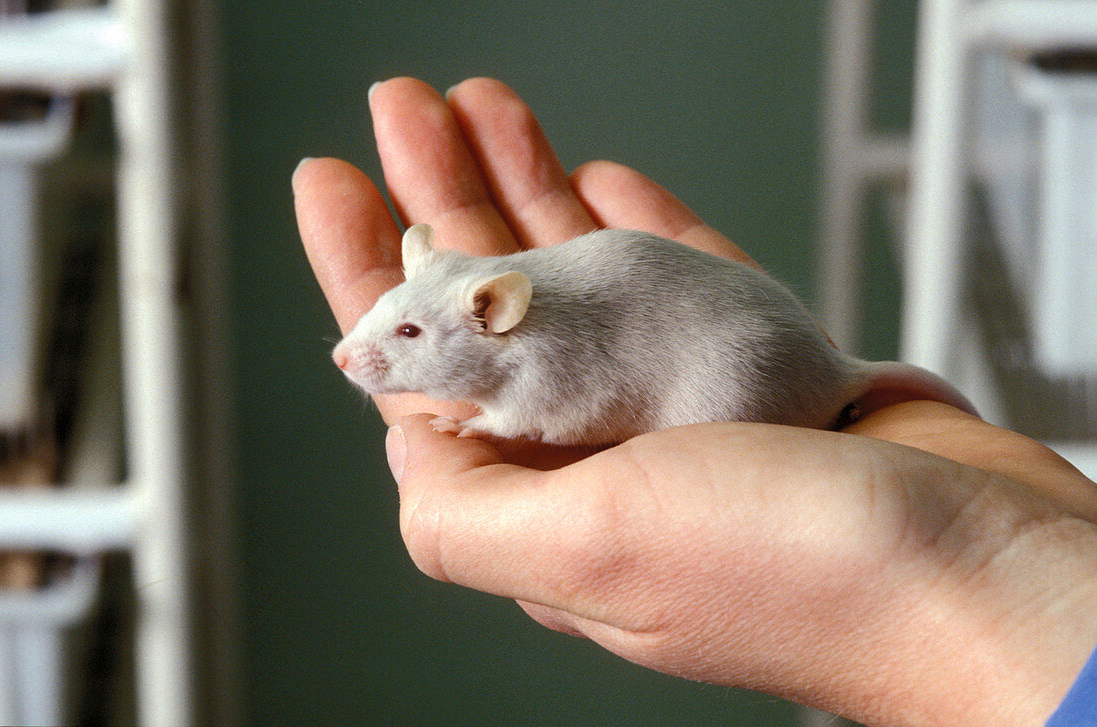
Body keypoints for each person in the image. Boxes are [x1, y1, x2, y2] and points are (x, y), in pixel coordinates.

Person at [293, 77, 1097, 726]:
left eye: (402, 334)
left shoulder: (535, 362)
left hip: (747, 375)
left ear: (492, 311)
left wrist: (491, 418)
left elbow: (566, 414)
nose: (359, 354)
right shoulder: (508, 319)